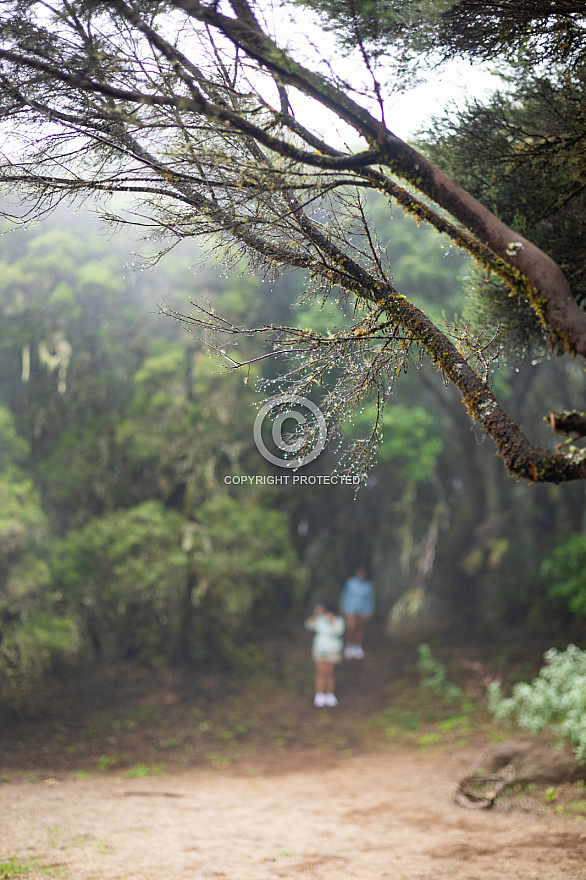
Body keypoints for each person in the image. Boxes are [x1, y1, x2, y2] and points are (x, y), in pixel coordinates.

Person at [304, 603, 345, 707]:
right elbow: (308, 625)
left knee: (329, 673)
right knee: (320, 673)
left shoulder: (338, 620)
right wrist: (315, 614)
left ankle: (329, 694)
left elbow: (338, 631)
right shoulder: (319, 619)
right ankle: (319, 694)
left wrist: (331, 621)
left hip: (333, 651)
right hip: (319, 650)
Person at [340, 566, 375, 659]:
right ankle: (348, 646)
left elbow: (370, 599)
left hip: (362, 610)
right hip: (351, 609)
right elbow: (346, 595)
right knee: (350, 628)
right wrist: (344, 608)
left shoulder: (368, 585)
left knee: (359, 629)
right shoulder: (351, 583)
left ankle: (357, 647)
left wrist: (369, 611)